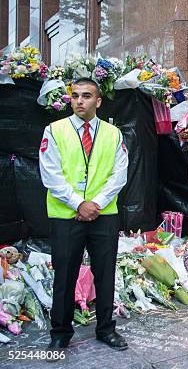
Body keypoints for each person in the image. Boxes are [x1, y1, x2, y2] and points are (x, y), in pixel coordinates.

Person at [39, 77, 129, 357]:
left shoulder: (113, 133)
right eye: (75, 95)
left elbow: (119, 174)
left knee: (104, 274)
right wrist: (79, 203)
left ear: (98, 101)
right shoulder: (54, 130)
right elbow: (50, 174)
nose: (79, 101)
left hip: (103, 215)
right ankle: (61, 333)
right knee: (64, 275)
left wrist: (96, 204)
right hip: (66, 215)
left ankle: (106, 328)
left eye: (87, 95)